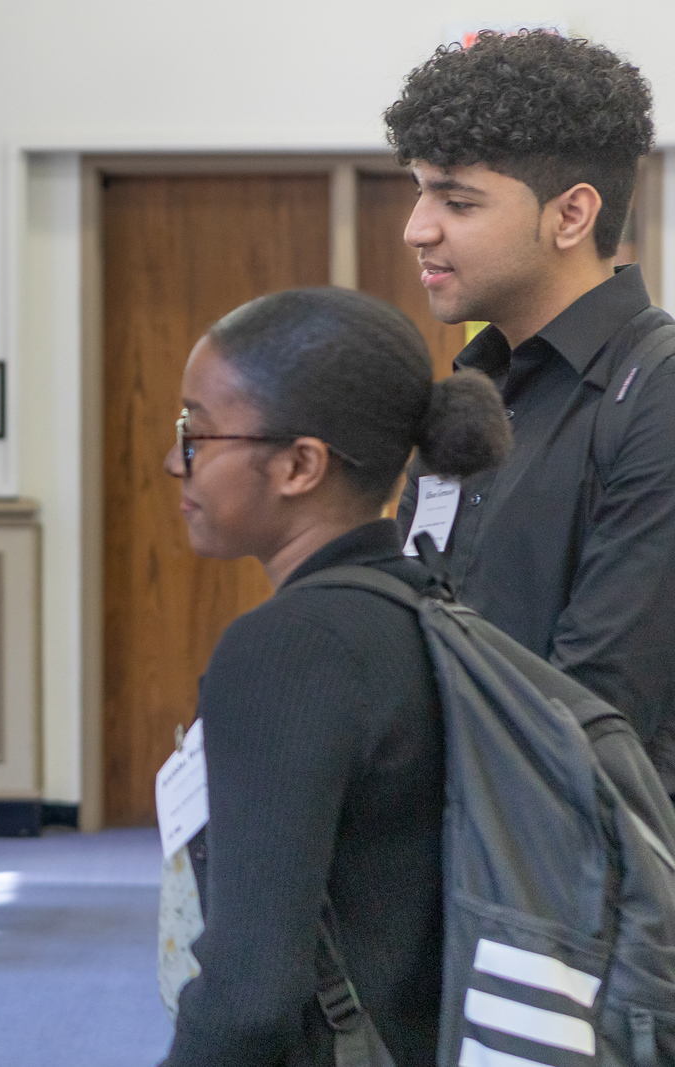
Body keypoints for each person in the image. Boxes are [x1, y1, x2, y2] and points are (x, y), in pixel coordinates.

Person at [158, 288, 511, 1066]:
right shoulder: (422, 605)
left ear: (298, 464)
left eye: (195, 432)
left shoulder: (287, 649)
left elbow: (250, 998)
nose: (172, 459)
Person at [386, 31, 675, 797]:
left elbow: (604, 697)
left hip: (585, 883)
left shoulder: (658, 390)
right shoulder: (467, 393)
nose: (418, 226)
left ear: (572, 214)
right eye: (417, 191)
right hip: (458, 853)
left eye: (456, 199)